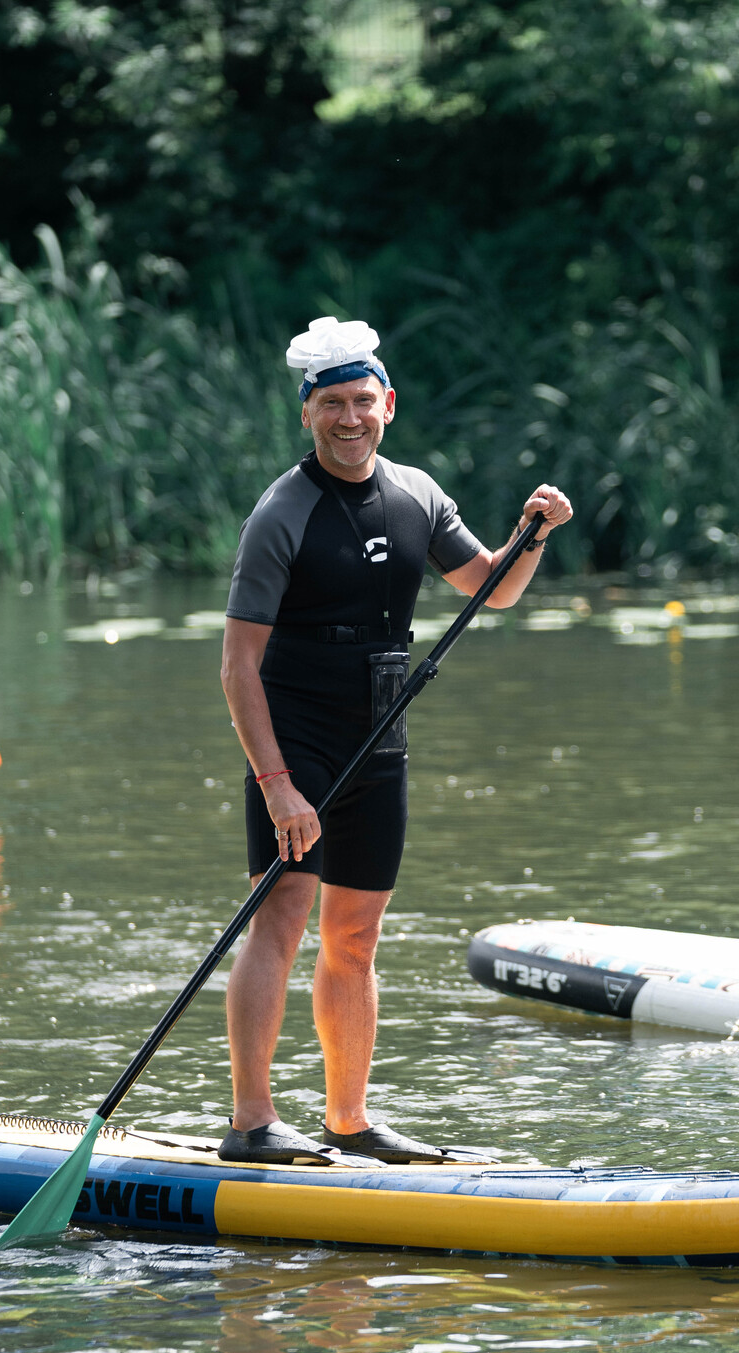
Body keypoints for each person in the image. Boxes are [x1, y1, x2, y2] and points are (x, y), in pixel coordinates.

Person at [219, 317, 574, 1164]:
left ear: (389, 405)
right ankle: (252, 1120)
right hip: (295, 743)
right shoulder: (283, 511)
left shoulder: (417, 492)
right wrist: (276, 783)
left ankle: (349, 1118)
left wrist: (534, 533)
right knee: (281, 920)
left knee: (358, 936)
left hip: (379, 738)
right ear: (307, 413)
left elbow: (491, 590)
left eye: (363, 402)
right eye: (332, 404)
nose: (350, 418)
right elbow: (237, 667)